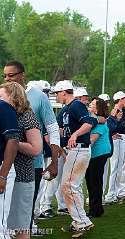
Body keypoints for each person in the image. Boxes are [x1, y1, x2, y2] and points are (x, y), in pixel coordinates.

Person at [3, 61, 61, 234]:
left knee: (23, 218)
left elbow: (52, 128)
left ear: (22, 75)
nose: (7, 78)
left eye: (11, 75)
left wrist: (54, 160)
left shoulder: (38, 97)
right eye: (5, 75)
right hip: (4, 165)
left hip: (29, 165)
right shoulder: (2, 95)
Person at [53, 80, 96, 237]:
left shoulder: (76, 105)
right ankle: (81, 220)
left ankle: (82, 222)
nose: (56, 96)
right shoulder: (65, 109)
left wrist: (76, 134)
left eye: (57, 93)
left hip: (80, 148)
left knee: (69, 186)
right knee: (71, 186)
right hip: (73, 150)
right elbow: (57, 129)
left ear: (64, 92)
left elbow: (89, 123)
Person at [0, 82, 42, 239]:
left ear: (13, 97)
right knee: (6, 225)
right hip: (8, 172)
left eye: (1, 96)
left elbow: (36, 149)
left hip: (22, 177)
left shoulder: (26, 115)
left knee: (20, 228)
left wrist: (11, 142)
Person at [85, 98, 111, 217]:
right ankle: (95, 209)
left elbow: (92, 140)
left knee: (94, 181)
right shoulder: (96, 120)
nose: (90, 105)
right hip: (96, 154)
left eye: (92, 104)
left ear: (97, 108)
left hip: (99, 154)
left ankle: (95, 210)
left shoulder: (101, 122)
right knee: (92, 181)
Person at [0, 91, 20, 239]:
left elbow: (13, 141)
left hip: (2, 167)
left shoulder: (4, 107)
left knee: (1, 226)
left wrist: (3, 175)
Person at [103, 91, 125, 204]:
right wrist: (117, 120)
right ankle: (110, 194)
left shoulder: (117, 111)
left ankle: (113, 193)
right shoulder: (114, 111)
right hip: (111, 141)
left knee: (116, 168)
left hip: (116, 140)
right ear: (120, 100)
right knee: (114, 168)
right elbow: (112, 127)